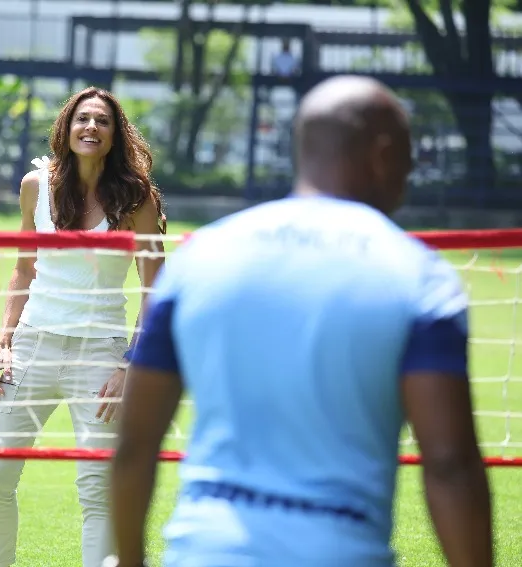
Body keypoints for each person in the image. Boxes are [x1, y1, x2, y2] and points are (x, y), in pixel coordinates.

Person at [109, 75, 493, 567]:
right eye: (408, 153)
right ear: (381, 154)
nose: (412, 168)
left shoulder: (199, 257)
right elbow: (449, 464)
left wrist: (130, 560)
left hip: (203, 552)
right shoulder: (419, 276)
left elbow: (135, 444)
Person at [0, 86, 167, 567]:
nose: (91, 128)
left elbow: (155, 291)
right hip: (32, 346)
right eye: (83, 118)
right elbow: (23, 270)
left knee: (97, 488)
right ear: (66, 127)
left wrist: (130, 363)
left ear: (115, 135)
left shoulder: (136, 199)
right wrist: (2, 345)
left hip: (101, 355)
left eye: (102, 121)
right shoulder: (35, 186)